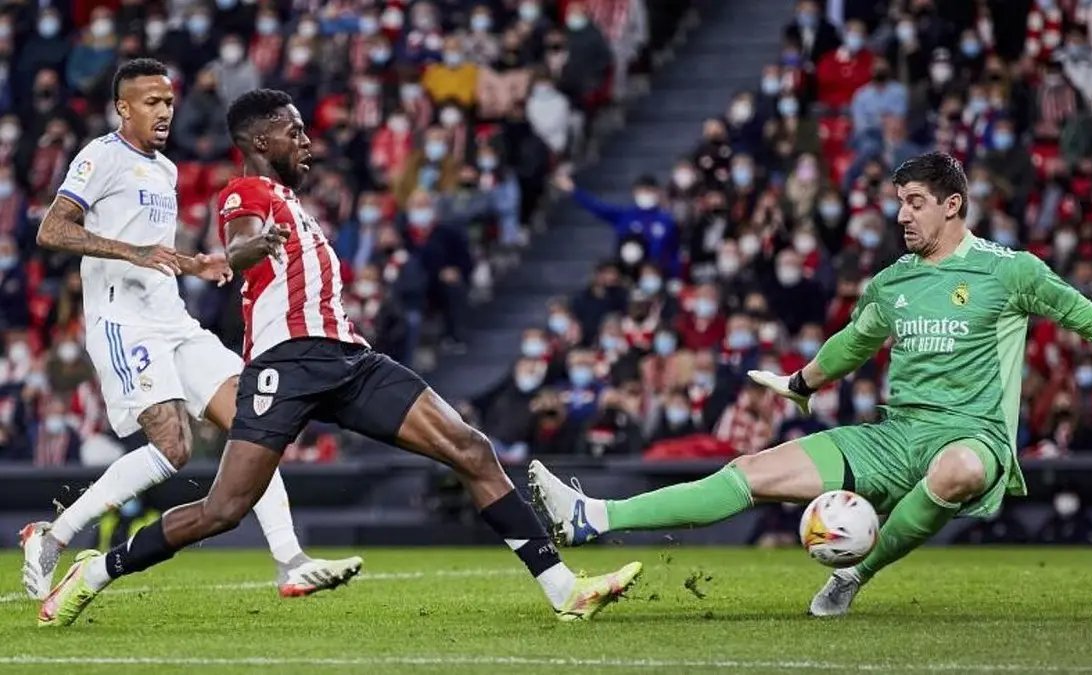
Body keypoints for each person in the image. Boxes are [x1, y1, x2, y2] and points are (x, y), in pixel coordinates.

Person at [38, 88, 641, 627]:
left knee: (471, 448)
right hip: (287, 364)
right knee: (224, 510)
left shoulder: (294, 203)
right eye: (294, 131)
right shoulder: (246, 192)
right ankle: (96, 572)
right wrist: (253, 246)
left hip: (350, 359)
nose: (307, 142)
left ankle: (563, 589)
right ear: (259, 141)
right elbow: (239, 244)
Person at [528, 152, 1092, 617]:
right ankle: (593, 517)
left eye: (915, 203)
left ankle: (853, 574)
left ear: (953, 206)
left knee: (961, 468)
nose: (902, 215)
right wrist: (801, 381)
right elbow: (853, 343)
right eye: (899, 203)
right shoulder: (892, 281)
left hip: (973, 436)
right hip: (894, 435)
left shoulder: (1010, 271)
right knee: (750, 472)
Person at [24, 60, 358, 603]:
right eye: (151, 102)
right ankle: (54, 534)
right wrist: (132, 252)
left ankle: (290, 562)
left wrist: (195, 264)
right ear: (123, 108)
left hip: (173, 319)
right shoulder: (102, 155)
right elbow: (52, 228)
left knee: (255, 424)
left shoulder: (165, 169)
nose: (164, 112)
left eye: (169, 102)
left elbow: (155, 250)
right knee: (173, 447)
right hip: (123, 320)